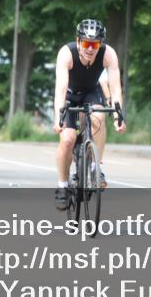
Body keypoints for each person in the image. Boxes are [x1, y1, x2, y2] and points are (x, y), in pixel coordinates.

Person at [52, 19, 126, 210]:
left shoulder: (108, 54)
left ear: (100, 44)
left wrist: (118, 115)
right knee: (67, 139)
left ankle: (95, 168)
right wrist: (57, 116)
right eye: (86, 43)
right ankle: (62, 186)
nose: (90, 49)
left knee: (99, 116)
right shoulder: (66, 53)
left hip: (91, 93)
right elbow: (60, 88)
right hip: (69, 94)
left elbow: (116, 87)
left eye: (95, 44)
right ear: (78, 41)